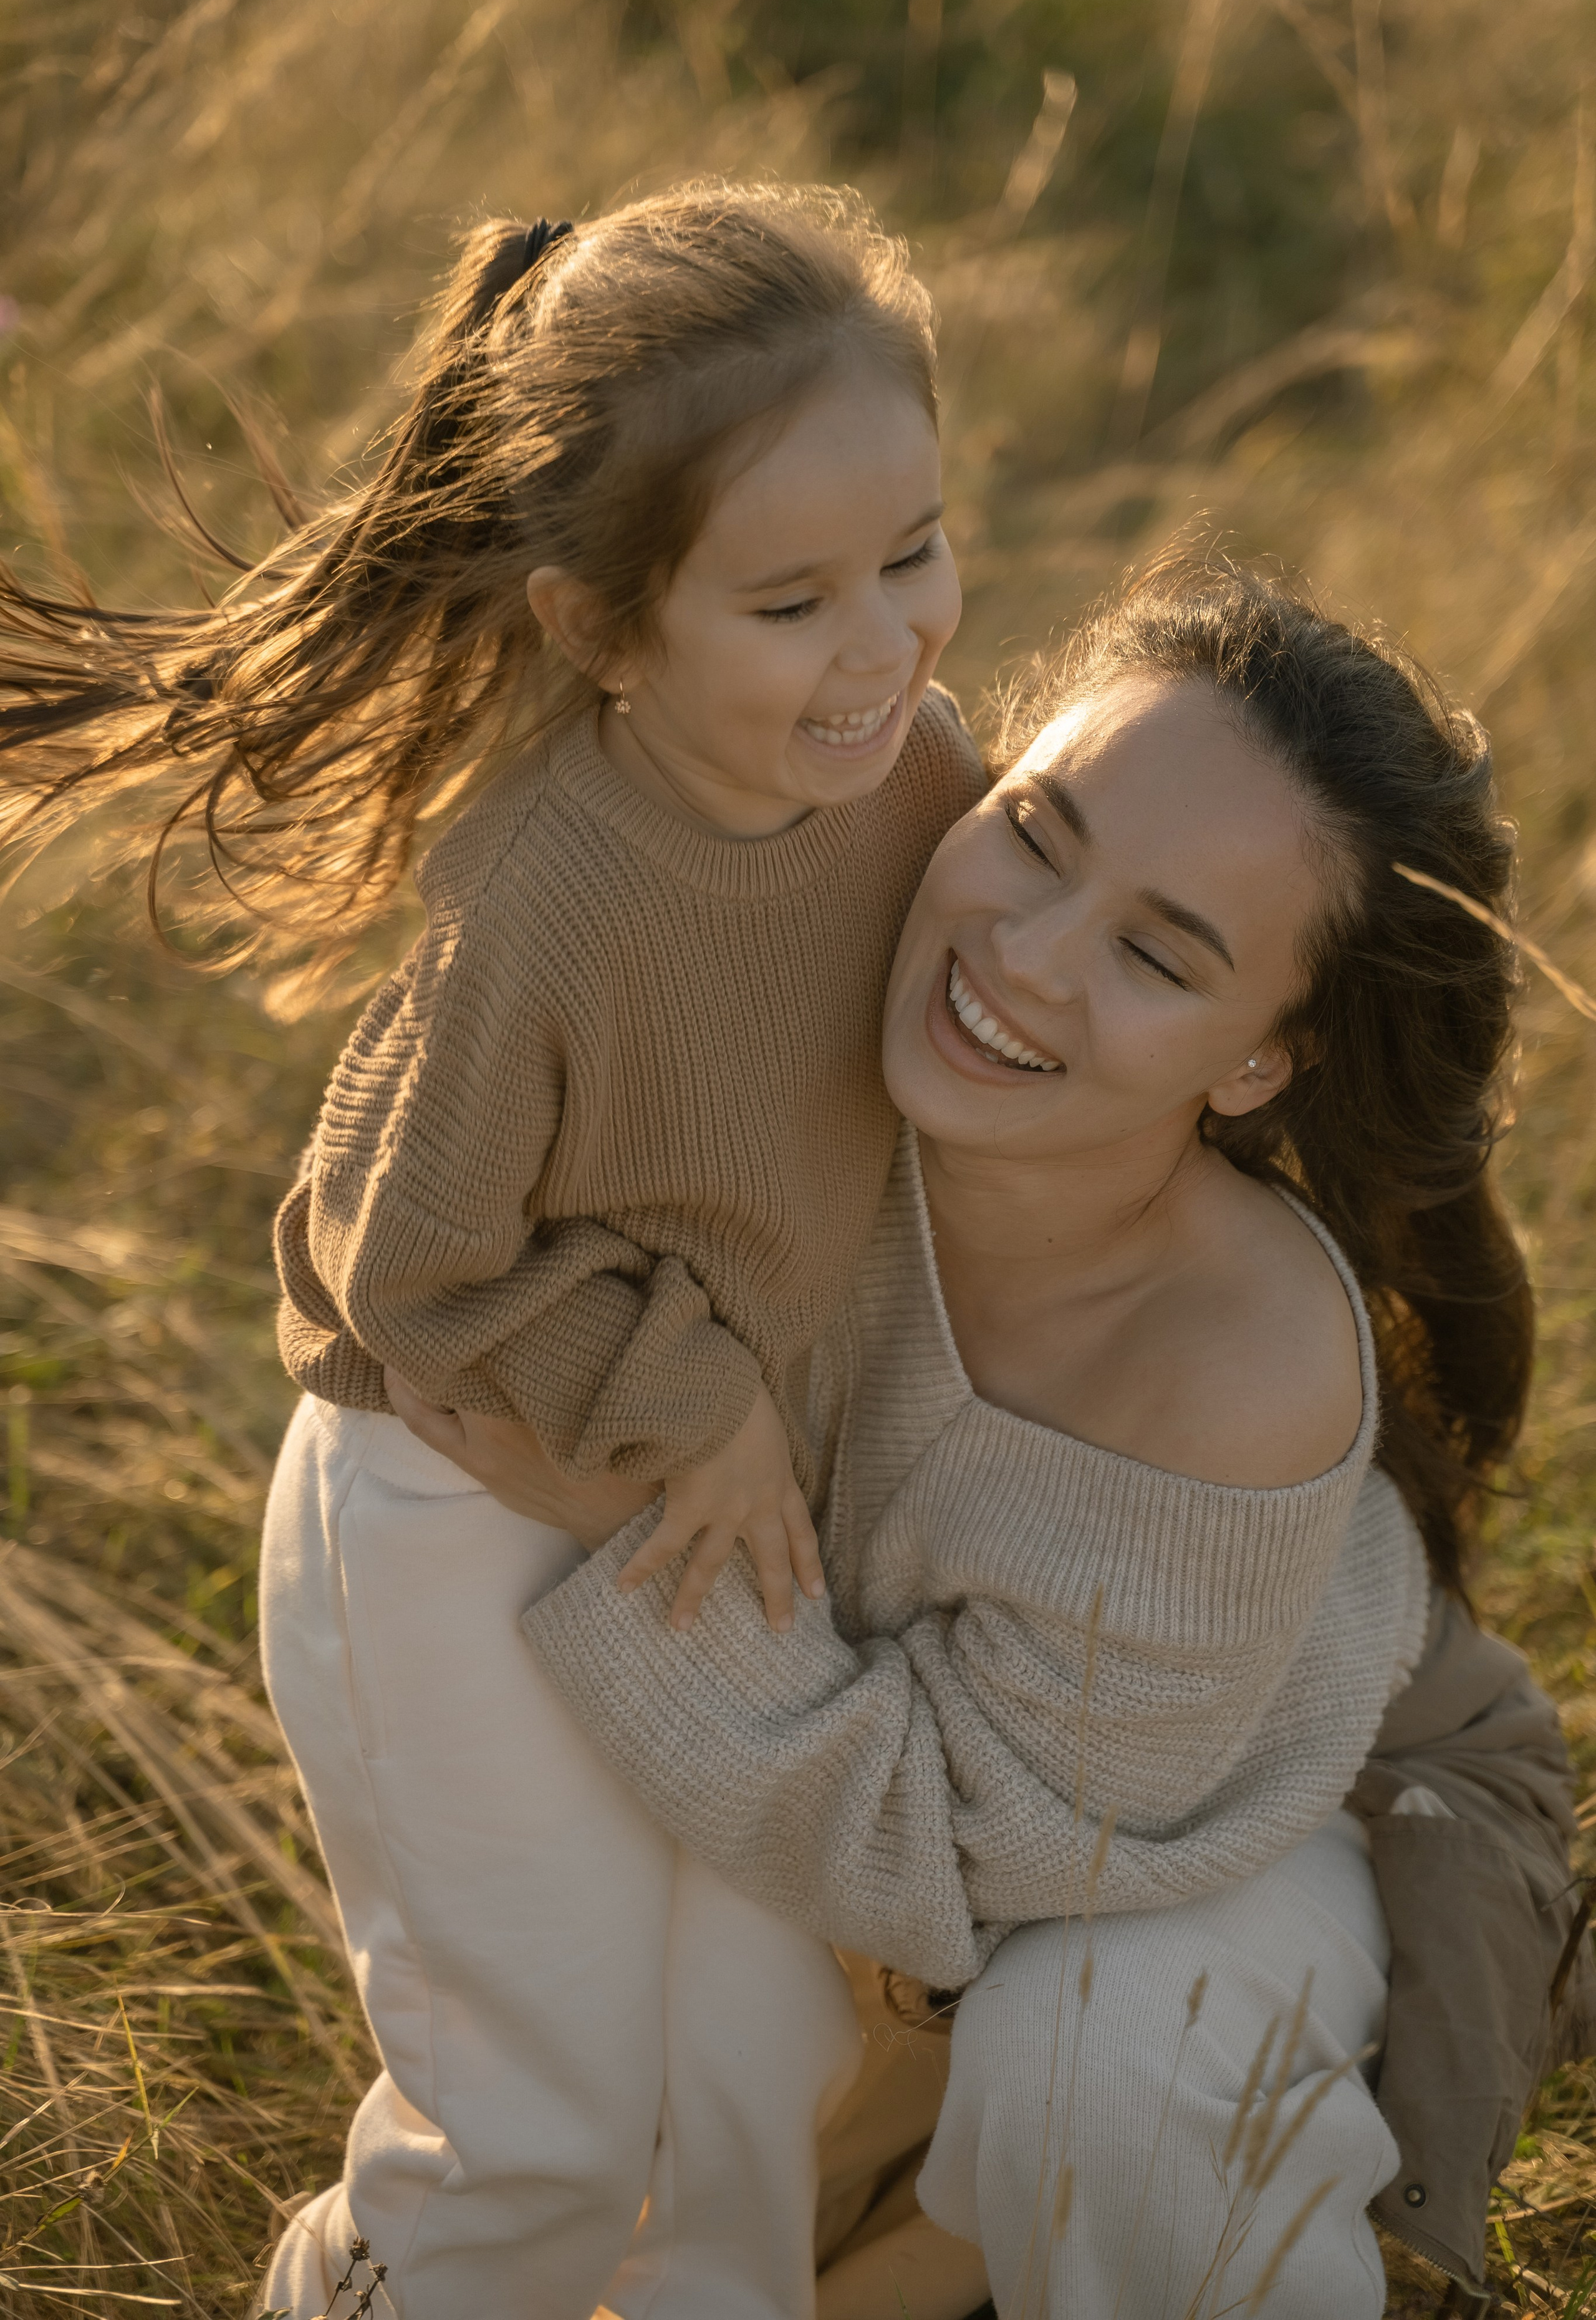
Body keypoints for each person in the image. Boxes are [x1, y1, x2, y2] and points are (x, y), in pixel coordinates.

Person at [0, 181, 981, 2319]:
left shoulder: (920, 789)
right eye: (790, 600)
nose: (886, 643)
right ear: (600, 630)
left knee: (754, 2066)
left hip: (718, 1518)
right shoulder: (543, 892)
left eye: (913, 554)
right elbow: (397, 1263)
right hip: (453, 1500)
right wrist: (693, 1392)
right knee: (540, 2117)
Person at [401, 557, 1572, 2316]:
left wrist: (615, 1488)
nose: (1019, 956)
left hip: (1228, 1837)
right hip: (876, 1820)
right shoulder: (820, 965)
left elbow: (953, 1865)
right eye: (1038, 833)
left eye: (1159, 956)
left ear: (1261, 1062)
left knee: (1098, 2067)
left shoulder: (1238, 1370)